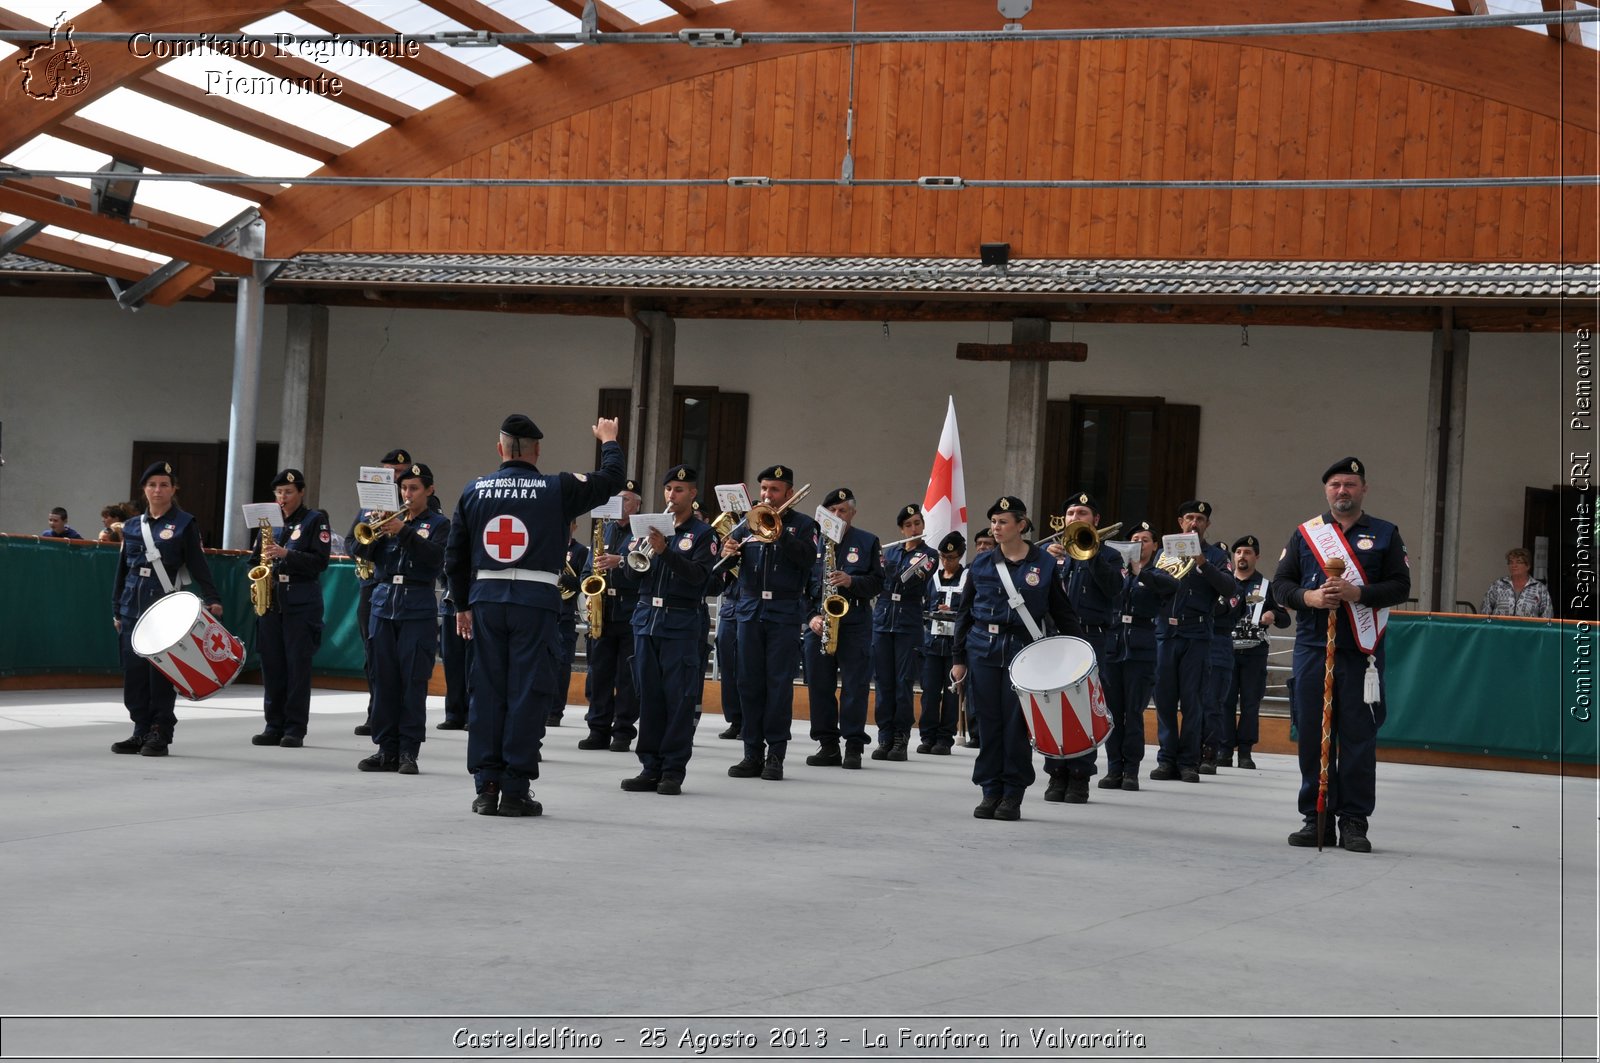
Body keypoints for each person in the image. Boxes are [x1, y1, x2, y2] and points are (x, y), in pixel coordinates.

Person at [445, 413, 624, 817]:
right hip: (536, 602)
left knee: (488, 691)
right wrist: (609, 440)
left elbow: (454, 555)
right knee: (527, 692)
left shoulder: (474, 489)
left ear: (500, 449)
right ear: (537, 450)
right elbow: (612, 480)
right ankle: (515, 789)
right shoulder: (556, 488)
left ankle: (486, 787)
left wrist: (461, 605)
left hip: (486, 600)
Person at [1273, 457, 1410, 853]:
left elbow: (1400, 586)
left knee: (1357, 737)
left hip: (1360, 652)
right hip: (1315, 648)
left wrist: (1359, 594)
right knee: (1313, 737)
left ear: (1363, 489)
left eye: (1350, 484)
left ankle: (1353, 821)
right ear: (1326, 490)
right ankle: (1315, 817)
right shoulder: (1306, 535)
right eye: (1335, 485)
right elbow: (1282, 585)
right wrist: (1309, 597)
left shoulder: (1385, 534)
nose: (1342, 491)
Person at [951, 496, 1079, 821]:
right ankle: (989, 789)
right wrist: (959, 658)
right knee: (987, 723)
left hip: (1024, 652)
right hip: (983, 648)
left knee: (1016, 726)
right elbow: (964, 614)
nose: (996, 527)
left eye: (1003, 522)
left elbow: (1062, 612)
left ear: (1021, 525)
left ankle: (1012, 793)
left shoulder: (1044, 564)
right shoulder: (980, 564)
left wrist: (1077, 653)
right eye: (993, 521)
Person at [110, 461, 224, 756]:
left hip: (163, 605)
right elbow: (122, 570)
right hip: (132, 607)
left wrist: (212, 597)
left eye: (163, 485)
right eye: (152, 485)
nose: (157, 490)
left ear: (173, 489)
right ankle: (140, 730)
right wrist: (116, 608)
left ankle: (160, 731)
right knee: (134, 674)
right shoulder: (133, 526)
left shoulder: (185, 523)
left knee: (160, 674)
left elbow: (198, 564)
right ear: (143, 490)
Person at [614, 465, 714, 794]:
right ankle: (649, 767)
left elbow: (701, 578)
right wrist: (632, 555)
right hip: (646, 621)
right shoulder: (648, 526)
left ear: (693, 494)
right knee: (650, 698)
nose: (672, 495)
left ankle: (672, 770)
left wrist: (665, 552)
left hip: (681, 623)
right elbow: (631, 578)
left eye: (680, 490)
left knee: (679, 699)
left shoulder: (702, 535)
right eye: (669, 489)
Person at [718, 464, 818, 781]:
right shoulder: (746, 524)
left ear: (789, 493)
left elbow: (807, 559)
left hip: (784, 610)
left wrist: (778, 535)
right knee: (748, 682)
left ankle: (776, 754)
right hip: (749, 608)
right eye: (763, 489)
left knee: (777, 684)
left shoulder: (804, 525)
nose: (766, 495)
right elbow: (726, 566)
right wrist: (730, 551)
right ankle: (751, 753)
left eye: (774, 490)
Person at [352, 463, 449, 774]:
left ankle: (408, 751)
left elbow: (436, 560)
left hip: (417, 606)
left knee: (412, 682)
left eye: (414, 489)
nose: (407, 495)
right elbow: (357, 549)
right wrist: (374, 532)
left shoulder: (439, 524)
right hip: (382, 604)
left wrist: (405, 532)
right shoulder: (384, 520)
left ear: (429, 491)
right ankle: (385, 749)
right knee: (383, 680)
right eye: (404, 489)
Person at [1140, 500, 1234, 784]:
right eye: (1189, 518)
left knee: (1193, 701)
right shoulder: (1165, 552)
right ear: (1180, 522)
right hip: (1166, 634)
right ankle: (1166, 759)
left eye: (1200, 519)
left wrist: (1203, 565)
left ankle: (1188, 762)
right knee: (1165, 700)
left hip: (1197, 634)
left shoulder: (1216, 555)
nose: (1194, 523)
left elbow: (1230, 589)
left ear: (1207, 525)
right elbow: (1153, 585)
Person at [1042, 492, 1124, 801]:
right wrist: (1046, 563)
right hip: (1054, 638)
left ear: (1096, 521)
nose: (1076, 517)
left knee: (1085, 708)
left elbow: (1115, 589)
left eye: (1083, 513)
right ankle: (1055, 772)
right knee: (1052, 705)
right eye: (1071, 513)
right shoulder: (1048, 554)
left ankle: (1080, 775)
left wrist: (1091, 554)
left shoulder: (1110, 555)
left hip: (1091, 637)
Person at [802, 487, 884, 770]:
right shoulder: (812, 543)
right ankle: (827, 745)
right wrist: (810, 616)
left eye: (843, 511)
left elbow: (878, 582)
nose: (837, 516)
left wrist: (852, 582)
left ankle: (853, 746)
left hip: (855, 624)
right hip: (819, 624)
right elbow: (798, 587)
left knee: (855, 687)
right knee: (819, 687)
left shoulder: (867, 541)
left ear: (852, 513)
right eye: (832, 511)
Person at [249, 469, 331, 748]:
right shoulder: (268, 522)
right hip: (272, 601)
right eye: (279, 492)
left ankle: (295, 728)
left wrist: (286, 554)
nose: (283, 497)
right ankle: (273, 724)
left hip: (301, 602)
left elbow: (320, 562)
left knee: (297, 667)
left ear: (300, 493)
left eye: (288, 492)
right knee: (272, 665)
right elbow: (254, 559)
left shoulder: (314, 520)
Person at [353, 448, 415, 736]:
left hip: (404, 589)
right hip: (372, 587)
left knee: (403, 658)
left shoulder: (419, 504)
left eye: (400, 474)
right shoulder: (370, 507)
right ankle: (374, 714)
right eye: (390, 473)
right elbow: (354, 541)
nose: (396, 480)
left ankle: (400, 716)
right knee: (373, 654)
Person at [871, 503, 938, 760]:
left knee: (903, 682)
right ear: (901, 529)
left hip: (908, 620)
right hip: (883, 618)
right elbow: (875, 581)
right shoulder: (890, 553)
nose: (914, 529)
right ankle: (885, 736)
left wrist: (880, 565)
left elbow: (907, 579)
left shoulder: (930, 554)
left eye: (917, 524)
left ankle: (901, 737)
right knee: (883, 681)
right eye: (908, 525)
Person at [580, 479, 642, 753]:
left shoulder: (642, 532)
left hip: (629, 611)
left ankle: (623, 731)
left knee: (627, 676)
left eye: (626, 499)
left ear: (637, 504)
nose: (620, 503)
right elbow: (586, 569)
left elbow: (645, 570)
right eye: (617, 498)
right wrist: (588, 591)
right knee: (599, 674)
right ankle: (598, 728)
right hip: (603, 611)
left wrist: (620, 562)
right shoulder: (602, 531)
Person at [1220, 535, 1291, 769]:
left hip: (1254, 652)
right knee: (1225, 701)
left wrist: (1273, 616)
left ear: (1256, 557)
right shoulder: (1223, 582)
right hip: (1226, 651)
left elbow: (1285, 618)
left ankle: (1246, 752)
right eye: (1238, 552)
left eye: (1248, 552)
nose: (1242, 556)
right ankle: (1224, 749)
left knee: (1251, 702)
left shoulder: (1267, 586)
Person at [1100, 521, 1161, 791]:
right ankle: (1114, 768)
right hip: (1113, 647)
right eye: (1134, 539)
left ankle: (1131, 771)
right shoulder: (1115, 573)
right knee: (1112, 713)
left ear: (1154, 545)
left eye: (1145, 539)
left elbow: (1170, 589)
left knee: (1134, 713)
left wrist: (1140, 572)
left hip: (1141, 650)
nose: (1139, 544)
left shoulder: (1159, 572)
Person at [918, 530, 967, 755]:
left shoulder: (968, 579)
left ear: (960, 556)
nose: (947, 561)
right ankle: (927, 736)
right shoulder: (932, 578)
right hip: (932, 643)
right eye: (944, 557)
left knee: (951, 692)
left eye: (952, 558)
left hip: (956, 646)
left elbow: (971, 611)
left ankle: (944, 739)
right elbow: (922, 605)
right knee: (929, 692)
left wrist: (953, 611)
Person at [549, 520, 590, 726]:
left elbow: (584, 582)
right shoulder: (546, 544)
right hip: (545, 611)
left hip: (565, 614)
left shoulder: (580, 551)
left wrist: (564, 580)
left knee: (562, 665)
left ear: (574, 525)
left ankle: (555, 712)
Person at [1480, 548, 1553, 618]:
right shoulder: (1498, 585)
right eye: (1511, 562)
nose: (1514, 566)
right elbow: (1485, 611)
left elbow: (1547, 616)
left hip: (1528, 630)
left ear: (1528, 566)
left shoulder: (1539, 588)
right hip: (1500, 630)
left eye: (1518, 562)